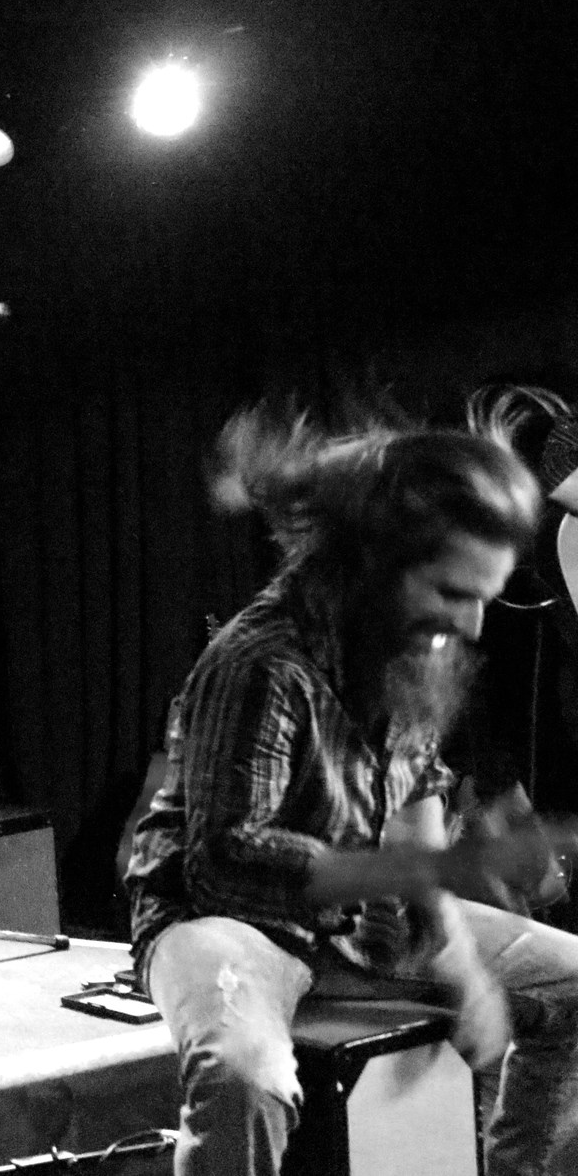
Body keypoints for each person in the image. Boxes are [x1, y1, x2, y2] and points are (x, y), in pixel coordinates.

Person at [124, 407, 578, 1176]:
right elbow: (225, 859)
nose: (471, 622)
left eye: (484, 595)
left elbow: (413, 814)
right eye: (453, 591)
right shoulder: (261, 660)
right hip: (221, 919)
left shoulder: (411, 644)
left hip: (359, 919)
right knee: (248, 1076)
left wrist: (462, 962)